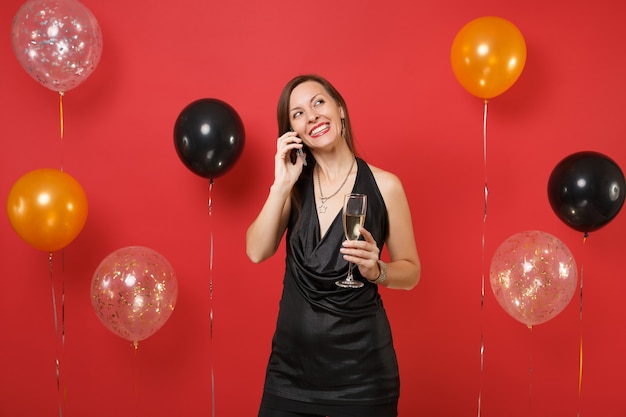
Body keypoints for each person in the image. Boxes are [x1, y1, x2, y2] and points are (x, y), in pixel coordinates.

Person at [246, 74, 421, 417]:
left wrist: (379, 270)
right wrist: (281, 184)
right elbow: (256, 251)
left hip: (363, 378)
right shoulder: (293, 187)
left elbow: (411, 272)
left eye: (318, 103)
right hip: (289, 374)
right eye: (297, 113)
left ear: (339, 109)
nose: (311, 116)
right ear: (292, 132)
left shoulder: (385, 185)